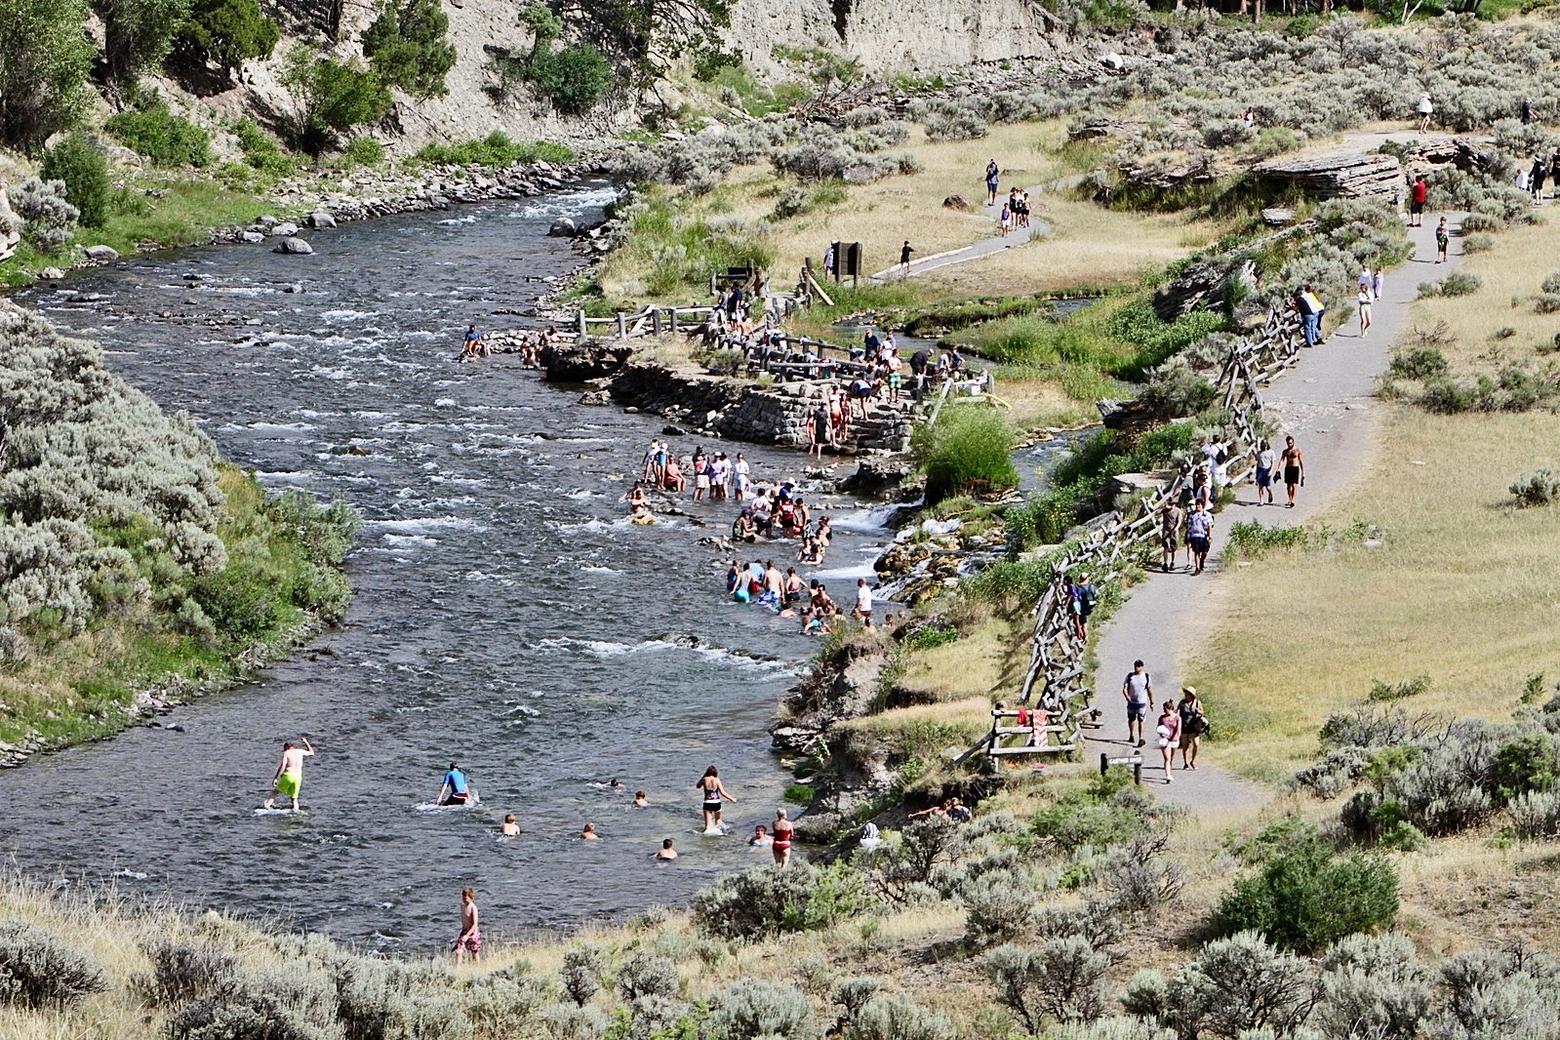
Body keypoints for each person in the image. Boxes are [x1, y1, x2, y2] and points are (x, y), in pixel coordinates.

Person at [265, 737, 315, 811]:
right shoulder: (300, 751)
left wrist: (276, 778)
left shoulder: (286, 753)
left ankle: (267, 806)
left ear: (286, 748)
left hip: (289, 775)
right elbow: (312, 753)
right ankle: (296, 810)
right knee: (294, 798)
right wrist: (306, 742)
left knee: (276, 792)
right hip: (298, 777)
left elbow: (282, 766)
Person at [1122, 660, 1153, 748]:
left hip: (1142, 703)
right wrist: (1127, 696)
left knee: (1141, 720)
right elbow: (1125, 688)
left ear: (1142, 667)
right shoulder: (1130, 676)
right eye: (1136, 666)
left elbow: (1149, 690)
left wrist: (1152, 702)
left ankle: (1141, 738)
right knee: (1131, 719)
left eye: (1139, 666)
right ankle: (1131, 734)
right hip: (1131, 702)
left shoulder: (1146, 677)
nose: (1137, 667)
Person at [695, 765, 734, 832]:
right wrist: (732, 799)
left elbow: (698, 786)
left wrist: (704, 776)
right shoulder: (717, 780)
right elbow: (723, 792)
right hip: (717, 803)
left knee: (708, 826)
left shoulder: (704, 779)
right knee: (718, 821)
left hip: (708, 803)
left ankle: (706, 839)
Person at [1177, 687, 1207, 770]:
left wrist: (1199, 711)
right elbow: (1178, 712)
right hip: (1184, 726)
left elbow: (1202, 712)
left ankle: (1193, 761)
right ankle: (1186, 763)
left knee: (1196, 744)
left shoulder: (1197, 703)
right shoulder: (1182, 703)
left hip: (1194, 726)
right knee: (1185, 746)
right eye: (1186, 693)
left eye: (1188, 694)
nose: (1186, 695)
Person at [1155, 701, 1181, 783]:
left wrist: (1176, 737)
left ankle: (1169, 768)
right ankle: (1168, 775)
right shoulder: (1162, 718)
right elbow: (1158, 728)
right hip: (1165, 740)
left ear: (1170, 709)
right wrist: (1162, 734)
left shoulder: (1177, 718)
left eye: (1165, 709)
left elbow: (1178, 730)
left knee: (1171, 758)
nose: (1164, 711)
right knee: (1167, 758)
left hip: (1174, 740)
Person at [453, 888, 480, 965]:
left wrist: (467, 935)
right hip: (464, 931)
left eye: (466, 898)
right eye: (463, 898)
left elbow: (475, 924)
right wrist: (463, 934)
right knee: (458, 951)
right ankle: (456, 970)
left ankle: (478, 969)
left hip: (473, 932)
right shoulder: (462, 906)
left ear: (471, 897)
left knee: (474, 953)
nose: (464, 900)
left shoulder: (473, 908)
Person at [1186, 500, 1213, 575]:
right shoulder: (1192, 515)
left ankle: (1202, 561)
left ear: (1203, 505)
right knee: (1196, 552)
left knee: (1204, 551)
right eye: (1197, 504)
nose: (1198, 506)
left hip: (1204, 536)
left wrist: (1210, 537)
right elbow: (1189, 526)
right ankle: (1197, 568)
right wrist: (1189, 536)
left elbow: (1210, 526)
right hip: (1194, 536)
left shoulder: (1207, 514)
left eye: (1200, 504)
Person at [1070, 572, 1097, 640]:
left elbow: (1076, 599)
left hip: (1081, 607)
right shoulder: (1092, 586)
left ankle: (1082, 637)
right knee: (1084, 623)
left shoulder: (1078, 588)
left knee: (1080, 623)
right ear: (1087, 578)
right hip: (1089, 607)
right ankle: (1086, 637)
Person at [1281, 434, 1305, 508]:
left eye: (1291, 443)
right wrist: (1278, 469)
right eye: (1288, 443)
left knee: (1294, 485)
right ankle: (1290, 499)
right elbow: (1282, 460)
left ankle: (1293, 500)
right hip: (1288, 468)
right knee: (1288, 486)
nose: (1289, 444)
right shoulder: (1285, 451)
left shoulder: (1297, 450)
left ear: (1293, 442)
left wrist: (1303, 473)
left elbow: (1301, 462)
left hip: (1295, 468)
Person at [1158, 500, 1181, 573]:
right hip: (1166, 530)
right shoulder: (1165, 510)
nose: (1171, 505)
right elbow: (1157, 512)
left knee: (1174, 547)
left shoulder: (1178, 511)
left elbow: (1179, 521)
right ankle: (1165, 563)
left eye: (1172, 504)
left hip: (1174, 531)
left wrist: (1176, 528)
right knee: (1165, 547)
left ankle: (1173, 562)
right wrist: (1164, 508)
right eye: (1170, 504)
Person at [1255, 438, 1276, 506]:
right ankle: (1261, 501)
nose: (1264, 446)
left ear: (1267, 445)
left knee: (1268, 487)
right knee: (1260, 486)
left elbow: (1273, 462)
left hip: (1267, 470)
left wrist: (1271, 471)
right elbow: (1257, 462)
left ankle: (1270, 493)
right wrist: (1257, 474)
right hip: (1261, 470)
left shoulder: (1271, 452)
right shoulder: (1259, 453)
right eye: (1263, 445)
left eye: (1265, 444)